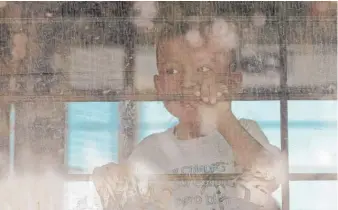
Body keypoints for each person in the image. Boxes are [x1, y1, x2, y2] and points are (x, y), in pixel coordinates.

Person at [92, 19, 285, 210]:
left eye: (203, 69)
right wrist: (114, 192)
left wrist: (223, 118)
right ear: (159, 87)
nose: (187, 82)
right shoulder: (149, 152)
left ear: (233, 83)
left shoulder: (244, 132)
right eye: (172, 71)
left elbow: (270, 177)